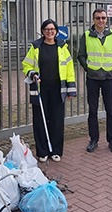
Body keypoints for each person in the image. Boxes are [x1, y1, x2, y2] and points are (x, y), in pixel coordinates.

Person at [22, 19, 77, 163]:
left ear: (56, 31)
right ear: (42, 31)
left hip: (58, 89)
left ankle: (56, 150)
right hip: (40, 88)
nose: (50, 31)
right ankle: (42, 151)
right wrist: (32, 73)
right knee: (40, 120)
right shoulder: (35, 47)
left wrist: (71, 90)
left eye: (52, 29)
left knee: (57, 120)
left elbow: (70, 68)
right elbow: (26, 65)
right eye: (47, 29)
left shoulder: (62, 47)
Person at [78, 8, 112, 154]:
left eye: (103, 18)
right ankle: (93, 140)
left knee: (111, 110)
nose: (101, 21)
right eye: (98, 18)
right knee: (92, 110)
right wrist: (88, 69)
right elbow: (81, 55)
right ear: (93, 20)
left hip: (108, 77)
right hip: (93, 78)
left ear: (106, 20)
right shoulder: (86, 35)